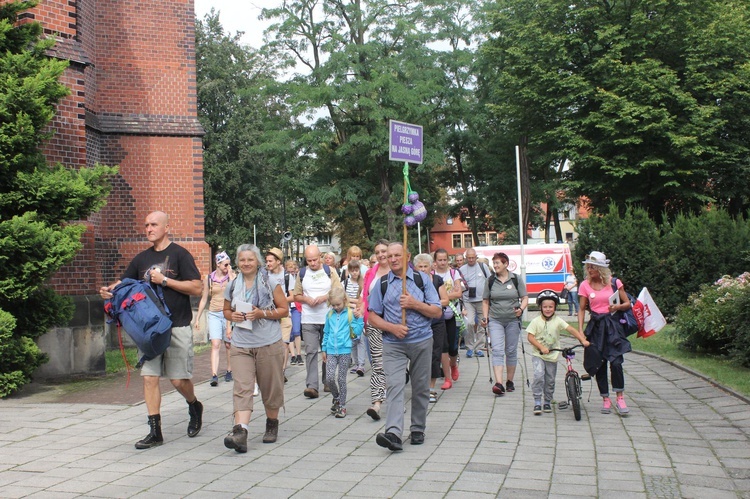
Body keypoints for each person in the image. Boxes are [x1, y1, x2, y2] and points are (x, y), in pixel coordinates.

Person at [99, 211, 203, 449]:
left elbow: (196, 287)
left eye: (154, 224)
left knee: (178, 380)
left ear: (167, 227)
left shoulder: (180, 254)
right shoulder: (140, 259)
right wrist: (109, 290)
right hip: (149, 330)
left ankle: (194, 405)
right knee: (149, 377)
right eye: (146, 225)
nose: (148, 229)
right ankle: (155, 432)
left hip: (176, 325)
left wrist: (165, 281)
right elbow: (123, 283)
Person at [368, 242, 442, 452]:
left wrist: (413, 304)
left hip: (421, 340)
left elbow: (437, 311)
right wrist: (392, 327)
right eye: (389, 256)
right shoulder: (381, 284)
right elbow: (372, 316)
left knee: (420, 387)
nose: (392, 259)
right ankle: (393, 433)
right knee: (394, 386)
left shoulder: (421, 280)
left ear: (407, 256)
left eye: (397, 255)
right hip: (393, 344)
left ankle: (418, 428)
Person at [222, 244, 288, 453]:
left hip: (268, 341)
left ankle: (272, 423)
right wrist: (232, 316)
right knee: (242, 388)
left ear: (257, 261)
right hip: (241, 343)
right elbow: (225, 310)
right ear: (237, 262)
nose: (246, 263)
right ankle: (241, 431)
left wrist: (262, 314)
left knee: (270, 387)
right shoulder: (232, 285)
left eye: (250, 259)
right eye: (242, 260)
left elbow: (284, 309)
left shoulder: (270, 281)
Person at [578, 251, 633, 416]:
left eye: (593, 267)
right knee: (599, 364)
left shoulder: (614, 282)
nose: (589, 270)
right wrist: (580, 331)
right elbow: (581, 308)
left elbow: (628, 304)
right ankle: (605, 398)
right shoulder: (584, 285)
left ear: (601, 269)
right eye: (588, 267)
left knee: (616, 362)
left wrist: (617, 307)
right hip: (596, 327)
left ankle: (620, 397)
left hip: (613, 326)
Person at [526, 291, 589, 415]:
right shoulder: (536, 321)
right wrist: (541, 347)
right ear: (540, 307)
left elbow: (570, 329)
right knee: (539, 375)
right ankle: (537, 401)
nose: (548, 309)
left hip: (552, 356)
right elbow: (530, 337)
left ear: (555, 307)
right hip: (539, 355)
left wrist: (582, 339)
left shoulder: (558, 320)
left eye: (551, 307)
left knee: (550, 380)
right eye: (545, 307)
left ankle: (547, 401)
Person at [293, 245, 341, 398]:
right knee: (311, 351)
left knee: (329, 350)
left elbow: (338, 291)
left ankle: (328, 380)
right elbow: (296, 295)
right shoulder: (302, 273)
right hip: (309, 318)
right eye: (309, 261)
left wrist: (325, 297)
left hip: (328, 317)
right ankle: (312, 386)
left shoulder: (330, 271)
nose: (312, 263)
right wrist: (306, 299)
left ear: (320, 256)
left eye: (315, 260)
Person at [481, 252, 529, 396]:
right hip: (495, 319)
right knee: (497, 350)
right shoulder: (490, 281)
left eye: (497, 263)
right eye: (494, 263)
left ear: (506, 264)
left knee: (511, 350)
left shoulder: (516, 279)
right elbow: (485, 301)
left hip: (513, 320)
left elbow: (525, 298)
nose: (495, 266)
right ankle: (499, 383)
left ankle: (510, 381)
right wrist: (485, 317)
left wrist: (521, 309)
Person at [193, 251, 235, 386]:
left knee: (228, 344)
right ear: (218, 263)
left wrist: (231, 276)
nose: (227, 266)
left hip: (228, 313)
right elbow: (204, 298)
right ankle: (214, 375)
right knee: (215, 344)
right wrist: (198, 318)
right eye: (225, 264)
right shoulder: (209, 278)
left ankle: (229, 370)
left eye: (229, 264)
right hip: (214, 313)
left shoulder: (231, 277)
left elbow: (236, 294)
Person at [322, 287, 364, 418]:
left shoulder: (350, 314)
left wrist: (360, 319)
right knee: (329, 378)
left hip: (344, 350)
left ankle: (342, 406)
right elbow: (326, 332)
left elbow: (356, 332)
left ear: (344, 301)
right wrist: (324, 348)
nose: (336, 307)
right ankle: (336, 397)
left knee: (341, 379)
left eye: (338, 304)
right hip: (331, 350)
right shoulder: (329, 314)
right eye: (333, 305)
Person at [360, 239, 390, 420]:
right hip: (374, 323)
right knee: (378, 365)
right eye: (378, 252)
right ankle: (377, 403)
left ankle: (395, 402)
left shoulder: (399, 271)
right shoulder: (371, 273)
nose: (381, 255)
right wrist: (363, 316)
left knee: (395, 367)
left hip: (394, 325)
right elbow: (365, 297)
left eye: (384, 251)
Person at [413, 254, 450, 404]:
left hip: (436, 322)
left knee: (435, 354)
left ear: (431, 267)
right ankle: (419, 387)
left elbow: (445, 299)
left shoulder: (436, 280)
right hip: (418, 322)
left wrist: (429, 304)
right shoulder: (411, 282)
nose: (422, 269)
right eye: (420, 267)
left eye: (425, 266)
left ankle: (431, 388)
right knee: (418, 356)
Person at [432, 248, 465, 387]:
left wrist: (442, 296)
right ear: (435, 261)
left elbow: (458, 293)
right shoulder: (432, 275)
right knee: (442, 346)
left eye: (445, 259)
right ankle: (447, 378)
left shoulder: (453, 273)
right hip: (437, 315)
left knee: (452, 346)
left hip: (452, 314)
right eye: (439, 260)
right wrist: (446, 296)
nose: (442, 262)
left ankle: (453, 365)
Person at [460, 248, 491, 358]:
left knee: (483, 324)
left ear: (476, 257)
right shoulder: (462, 269)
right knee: (469, 323)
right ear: (466, 258)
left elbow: (490, 280)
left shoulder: (483, 267)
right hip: (468, 301)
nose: (471, 259)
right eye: (469, 258)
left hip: (482, 300)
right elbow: (459, 285)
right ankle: (469, 347)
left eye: (473, 257)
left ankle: (479, 348)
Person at [342, 259, 366, 376]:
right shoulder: (345, 283)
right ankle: (356, 363)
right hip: (349, 314)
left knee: (360, 339)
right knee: (352, 339)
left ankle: (361, 364)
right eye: (353, 271)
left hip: (359, 313)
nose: (355, 273)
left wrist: (352, 302)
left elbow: (363, 299)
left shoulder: (363, 283)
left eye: (357, 270)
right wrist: (353, 303)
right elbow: (342, 298)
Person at [284, 259, 303, 365]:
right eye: (289, 271)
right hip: (287, 307)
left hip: (295, 307)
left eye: (293, 271)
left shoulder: (299, 279)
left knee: (296, 331)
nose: (291, 273)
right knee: (289, 333)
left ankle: (299, 354)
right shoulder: (285, 279)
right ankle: (293, 355)